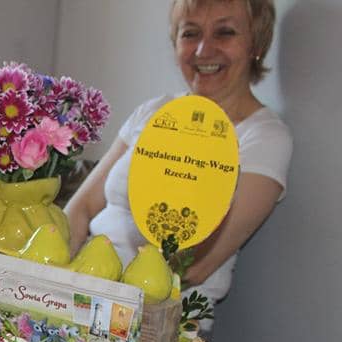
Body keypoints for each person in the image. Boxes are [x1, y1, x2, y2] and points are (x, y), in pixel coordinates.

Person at [65, 0, 292, 309]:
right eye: (190, 33)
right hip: (83, 290)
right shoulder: (154, 111)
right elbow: (81, 209)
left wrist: (99, 296)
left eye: (224, 32)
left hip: (157, 318)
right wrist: (57, 283)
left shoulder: (264, 137)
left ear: (257, 44)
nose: (203, 50)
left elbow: (195, 266)